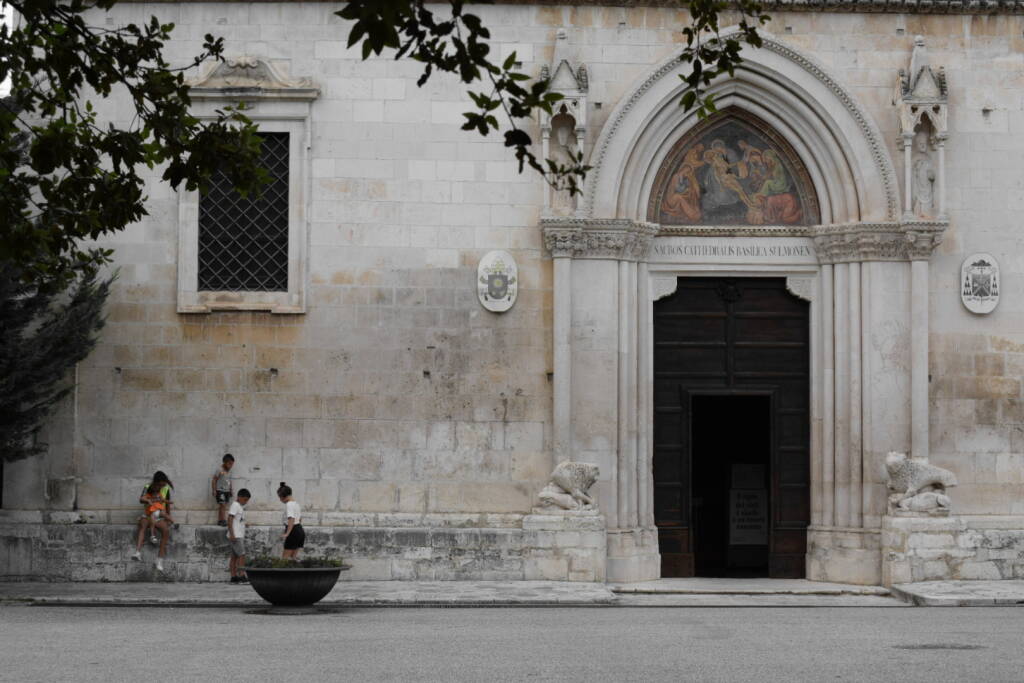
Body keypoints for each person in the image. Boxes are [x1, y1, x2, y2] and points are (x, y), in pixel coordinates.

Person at [130, 471, 174, 572]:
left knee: (166, 531)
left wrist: (168, 517)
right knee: (143, 525)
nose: (163, 486)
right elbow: (141, 500)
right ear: (156, 482)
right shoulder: (148, 487)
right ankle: (138, 552)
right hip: (148, 514)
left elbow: (167, 504)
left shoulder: (166, 488)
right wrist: (148, 501)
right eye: (162, 484)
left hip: (159, 515)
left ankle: (159, 560)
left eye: (164, 484)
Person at [227, 488, 251, 584]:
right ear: (239, 497)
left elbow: (238, 520)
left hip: (237, 534)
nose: (245, 502)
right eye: (244, 499)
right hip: (236, 535)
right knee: (242, 555)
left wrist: (245, 524)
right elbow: (230, 519)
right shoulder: (235, 505)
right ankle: (241, 575)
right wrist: (232, 534)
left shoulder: (239, 506)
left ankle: (233, 577)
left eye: (247, 500)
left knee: (234, 557)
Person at [277, 482, 304, 559]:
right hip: (299, 530)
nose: (280, 500)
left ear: (282, 496)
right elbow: (300, 519)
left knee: (285, 558)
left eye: (279, 497)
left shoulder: (289, 504)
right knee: (293, 558)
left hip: (293, 531)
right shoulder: (296, 503)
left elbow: (291, 519)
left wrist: (287, 533)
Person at [212, 453, 235, 526]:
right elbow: (214, 480)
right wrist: (214, 490)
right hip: (220, 490)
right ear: (224, 462)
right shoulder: (219, 470)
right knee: (223, 505)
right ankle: (223, 520)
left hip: (227, 491)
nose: (231, 466)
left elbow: (229, 480)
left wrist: (231, 490)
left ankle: (220, 520)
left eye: (232, 464)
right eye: (229, 464)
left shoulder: (230, 471)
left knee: (223, 506)